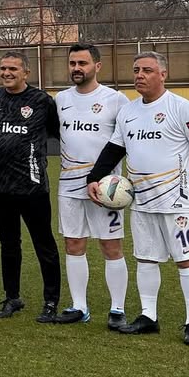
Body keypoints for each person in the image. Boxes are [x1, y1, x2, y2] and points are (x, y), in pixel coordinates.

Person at [87, 51, 189, 345]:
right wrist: (93, 179)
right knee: (146, 258)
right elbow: (114, 150)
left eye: (147, 70)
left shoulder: (182, 108)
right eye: (136, 70)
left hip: (177, 203)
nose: (139, 75)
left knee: (187, 259)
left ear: (163, 74)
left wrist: (180, 182)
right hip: (141, 202)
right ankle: (148, 316)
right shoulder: (129, 112)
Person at [55, 42, 129, 326]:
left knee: (111, 247)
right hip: (68, 187)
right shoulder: (61, 99)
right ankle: (78, 307)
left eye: (82, 63)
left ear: (97, 66)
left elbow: (122, 142)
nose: (76, 68)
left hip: (105, 190)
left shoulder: (116, 100)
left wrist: (100, 178)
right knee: (74, 244)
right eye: (72, 63)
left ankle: (118, 310)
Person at [0, 50, 62, 322]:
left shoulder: (41, 101)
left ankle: (51, 301)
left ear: (26, 73)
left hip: (33, 187)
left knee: (44, 245)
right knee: (8, 245)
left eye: (13, 69)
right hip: (1, 188)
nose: (6, 73)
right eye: (3, 68)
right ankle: (12, 297)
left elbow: (54, 132)